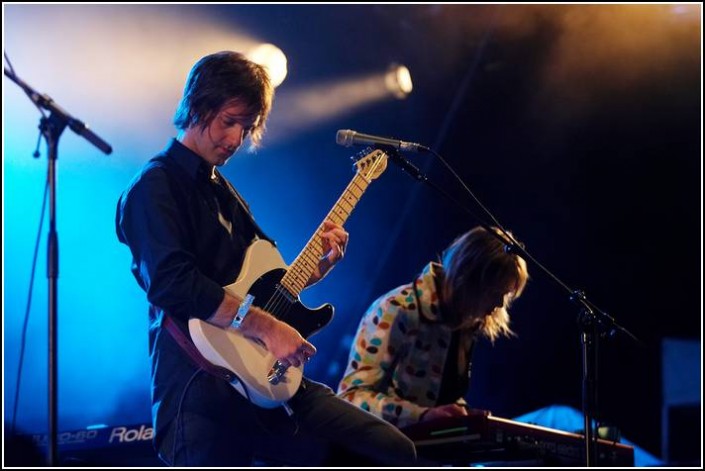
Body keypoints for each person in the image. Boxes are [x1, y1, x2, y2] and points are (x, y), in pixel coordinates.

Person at [115, 51, 415, 466]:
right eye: (228, 121)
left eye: (246, 126)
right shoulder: (155, 186)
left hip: (267, 380)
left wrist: (316, 270)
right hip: (200, 390)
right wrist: (266, 326)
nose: (236, 140)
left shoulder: (224, 191)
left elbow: (262, 283)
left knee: (393, 450)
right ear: (197, 105)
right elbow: (172, 283)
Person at [337, 226, 529, 429]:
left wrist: (466, 416)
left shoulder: (464, 324)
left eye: (505, 295)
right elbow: (351, 398)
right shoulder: (397, 308)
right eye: (493, 291)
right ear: (467, 277)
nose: (499, 303)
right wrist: (422, 416)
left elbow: (440, 400)